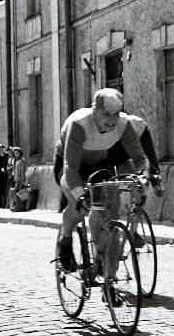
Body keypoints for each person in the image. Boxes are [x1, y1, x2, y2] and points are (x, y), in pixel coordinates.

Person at [54, 88, 149, 273]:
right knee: (81, 206)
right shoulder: (79, 124)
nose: (112, 119)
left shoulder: (123, 123)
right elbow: (70, 169)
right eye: (106, 114)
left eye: (116, 114)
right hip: (70, 165)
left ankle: (108, 277)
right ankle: (65, 240)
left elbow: (139, 158)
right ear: (95, 111)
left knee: (109, 217)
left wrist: (142, 175)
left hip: (98, 163)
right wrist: (81, 195)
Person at [10, 147, 28, 212]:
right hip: (17, 180)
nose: (16, 154)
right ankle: (17, 207)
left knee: (21, 193)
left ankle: (20, 207)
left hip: (21, 180)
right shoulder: (16, 161)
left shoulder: (22, 161)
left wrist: (23, 180)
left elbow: (23, 171)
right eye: (15, 153)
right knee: (17, 193)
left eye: (17, 153)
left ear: (20, 153)